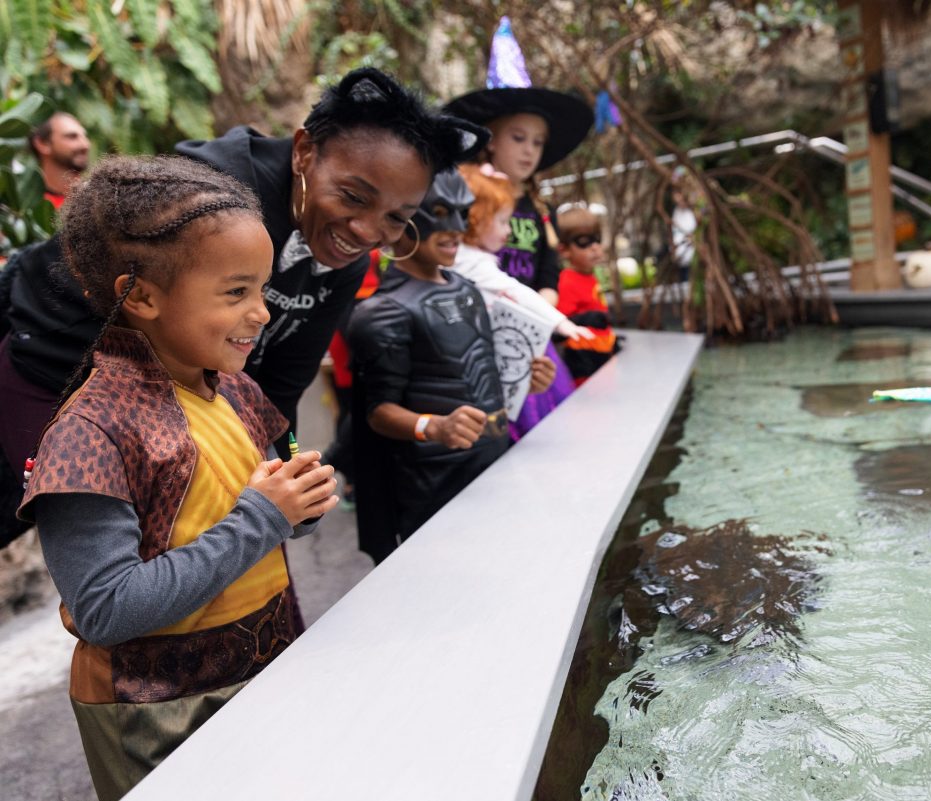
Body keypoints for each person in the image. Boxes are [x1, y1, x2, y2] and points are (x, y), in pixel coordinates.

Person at [0, 68, 487, 546]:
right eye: (353, 196)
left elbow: (279, 387)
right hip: (52, 360)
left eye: (396, 217)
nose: (366, 231)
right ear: (304, 152)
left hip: (164, 393)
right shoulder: (213, 205)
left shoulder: (345, 260)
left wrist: (290, 467)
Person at [18, 155, 339, 801]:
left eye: (262, 288)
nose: (262, 312)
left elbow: (257, 509)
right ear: (140, 295)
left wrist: (298, 505)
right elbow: (107, 608)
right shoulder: (90, 432)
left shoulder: (233, 388)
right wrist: (264, 517)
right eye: (235, 292)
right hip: (159, 710)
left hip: (269, 662)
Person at [347, 170, 556, 563]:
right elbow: (378, 412)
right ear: (404, 218)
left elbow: (478, 370)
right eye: (440, 213)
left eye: (462, 214)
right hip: (432, 480)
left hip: (495, 459)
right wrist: (434, 426)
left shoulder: (466, 288)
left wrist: (525, 377)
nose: (456, 229)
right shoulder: (382, 313)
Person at [443, 15, 592, 438]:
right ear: (491, 138)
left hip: (533, 333)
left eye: (538, 142)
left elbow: (548, 267)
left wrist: (541, 308)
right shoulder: (461, 196)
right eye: (518, 138)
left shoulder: (537, 207)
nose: (529, 151)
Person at [455, 162, 589, 341]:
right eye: (503, 222)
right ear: (477, 220)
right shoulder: (472, 262)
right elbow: (516, 291)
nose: (509, 230)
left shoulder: (463, 256)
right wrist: (560, 323)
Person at [555, 206, 620, 385]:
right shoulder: (566, 281)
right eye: (584, 242)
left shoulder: (590, 276)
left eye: (597, 240)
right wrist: (586, 319)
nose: (595, 248)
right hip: (585, 366)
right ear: (564, 250)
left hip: (602, 356)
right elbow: (561, 325)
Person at [28, 111, 91, 209]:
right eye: (72, 137)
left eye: (84, 136)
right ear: (42, 144)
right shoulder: (26, 206)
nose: (85, 145)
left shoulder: (96, 200)